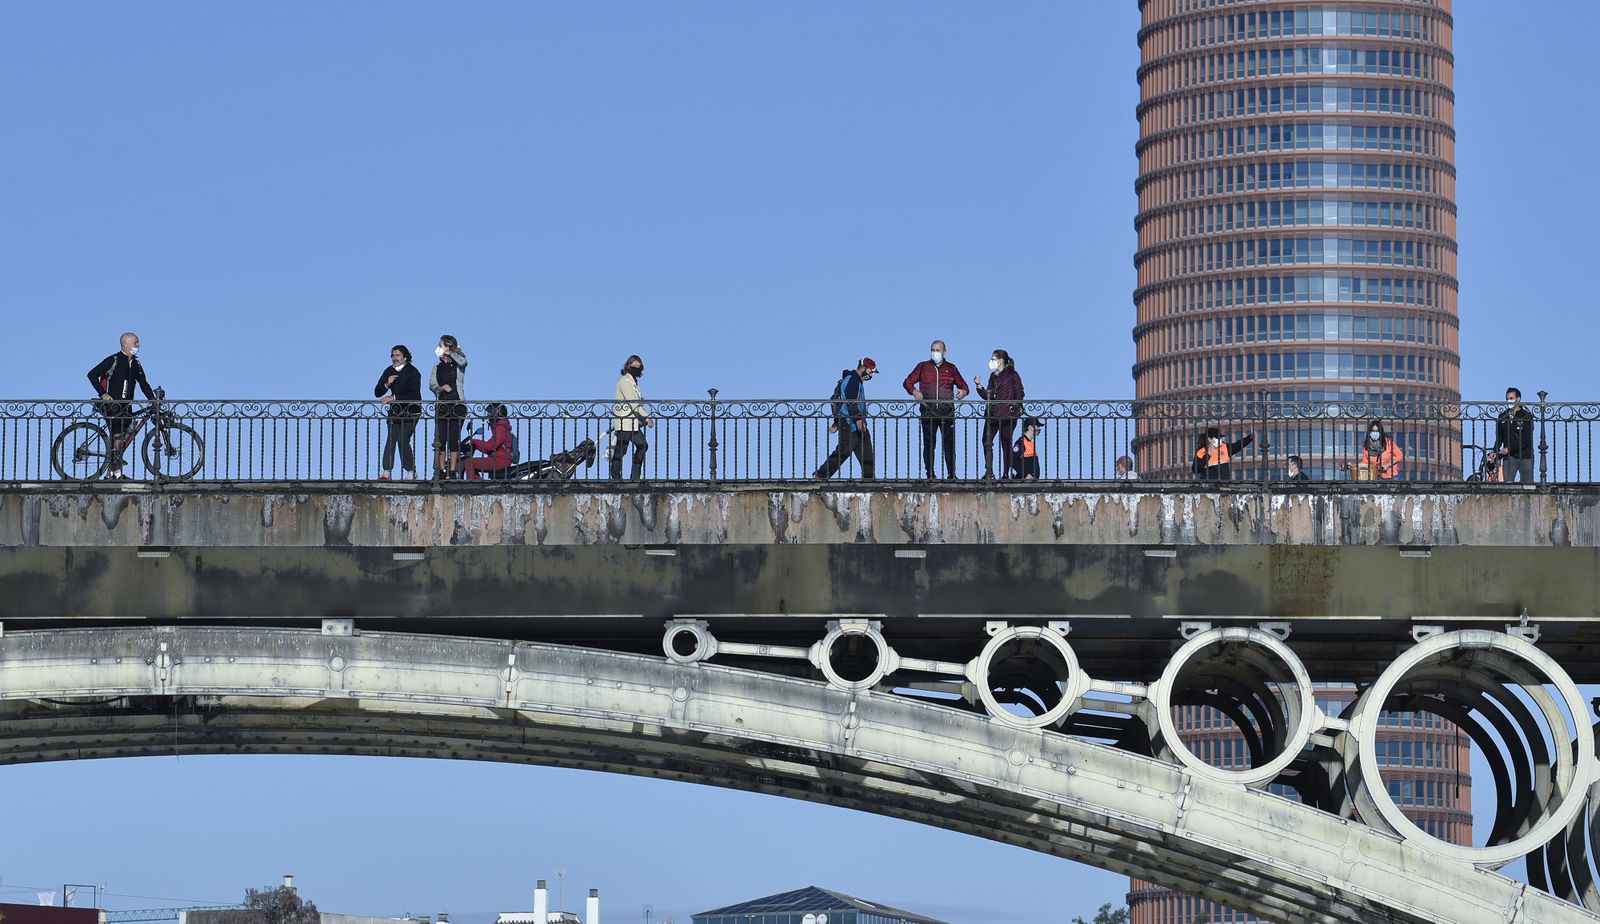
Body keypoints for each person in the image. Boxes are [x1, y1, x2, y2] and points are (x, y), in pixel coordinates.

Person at [85, 331, 154, 480]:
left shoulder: (136, 363)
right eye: (136, 343)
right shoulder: (114, 360)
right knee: (117, 436)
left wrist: (154, 400)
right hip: (111, 405)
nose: (138, 345)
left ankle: (116, 472)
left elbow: (143, 384)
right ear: (126, 344)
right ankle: (114, 474)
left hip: (125, 406)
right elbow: (92, 374)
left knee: (121, 439)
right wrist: (102, 394)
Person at [902, 339, 969, 480]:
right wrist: (915, 392)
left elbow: (964, 386)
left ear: (944, 352)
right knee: (929, 444)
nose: (935, 352)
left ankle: (952, 474)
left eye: (938, 350)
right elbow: (907, 382)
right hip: (928, 411)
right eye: (933, 350)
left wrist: (963, 392)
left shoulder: (951, 368)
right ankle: (930, 474)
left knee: (949, 444)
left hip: (947, 412)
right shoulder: (923, 366)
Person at [814, 358, 878, 481]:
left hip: (856, 423)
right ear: (863, 367)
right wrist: (858, 419)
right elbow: (850, 401)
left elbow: (840, 402)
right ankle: (821, 475)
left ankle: (869, 479)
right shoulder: (852, 380)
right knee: (843, 452)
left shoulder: (855, 381)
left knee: (867, 453)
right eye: (871, 371)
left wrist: (836, 423)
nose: (871, 375)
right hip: (851, 423)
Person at [974, 349, 1024, 481]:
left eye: (993, 359)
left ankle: (1006, 473)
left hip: (1008, 414)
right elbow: (989, 396)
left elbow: (1019, 392)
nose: (991, 362)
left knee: (1006, 442)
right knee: (986, 440)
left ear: (1001, 360)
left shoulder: (1012, 375)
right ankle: (989, 471)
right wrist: (979, 386)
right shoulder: (993, 376)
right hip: (993, 414)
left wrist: (1016, 405)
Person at [375, 344, 422, 480]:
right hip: (395, 412)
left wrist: (394, 397)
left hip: (411, 410)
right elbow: (377, 392)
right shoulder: (389, 371)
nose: (394, 358)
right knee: (391, 439)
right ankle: (386, 472)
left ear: (405, 357)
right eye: (393, 355)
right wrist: (386, 384)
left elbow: (413, 393)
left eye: (397, 355)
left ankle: (411, 471)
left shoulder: (413, 372)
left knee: (403, 439)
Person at [429, 335, 468, 479]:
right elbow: (431, 384)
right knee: (440, 440)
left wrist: (450, 352)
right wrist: (440, 388)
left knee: (453, 439)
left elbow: (463, 362)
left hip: (457, 404)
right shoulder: (437, 366)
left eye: (441, 345)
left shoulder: (458, 363)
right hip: (442, 405)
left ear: (447, 346)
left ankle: (452, 471)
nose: (438, 348)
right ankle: (441, 471)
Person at [610, 354, 652, 480]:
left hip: (632, 423)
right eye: (634, 366)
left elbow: (637, 402)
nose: (636, 368)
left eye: (638, 367)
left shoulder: (634, 383)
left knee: (642, 445)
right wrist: (647, 417)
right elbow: (633, 404)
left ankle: (635, 476)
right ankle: (616, 478)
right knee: (621, 450)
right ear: (628, 367)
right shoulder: (626, 381)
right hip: (625, 421)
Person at [462, 402, 515, 480]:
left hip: (500, 460)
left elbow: (491, 446)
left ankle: (472, 485)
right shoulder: (500, 427)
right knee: (471, 463)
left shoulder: (500, 428)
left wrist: (474, 442)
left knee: (469, 462)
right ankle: (478, 485)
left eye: (490, 413)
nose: (488, 415)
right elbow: (491, 448)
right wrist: (477, 446)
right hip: (499, 458)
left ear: (496, 413)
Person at [1494, 386, 1536, 483]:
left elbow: (1526, 438)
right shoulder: (1502, 416)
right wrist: (1494, 451)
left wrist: (1509, 449)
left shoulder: (1526, 416)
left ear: (1518, 399)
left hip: (1525, 456)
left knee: (1528, 485)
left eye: (1511, 398)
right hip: (1509, 457)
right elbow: (1499, 437)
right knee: (1508, 485)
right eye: (1507, 398)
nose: (1509, 401)